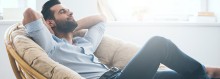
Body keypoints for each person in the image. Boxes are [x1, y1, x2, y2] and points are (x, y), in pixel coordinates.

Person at [22, 0, 220, 79]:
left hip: (120, 75)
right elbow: (30, 13)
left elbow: (100, 20)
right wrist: (51, 29)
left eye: (69, 10)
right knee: (159, 43)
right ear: (50, 23)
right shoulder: (52, 47)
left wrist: (73, 28)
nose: (70, 13)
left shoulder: (85, 43)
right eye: (63, 12)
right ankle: (203, 72)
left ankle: (205, 73)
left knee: (181, 76)